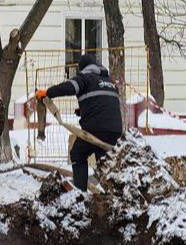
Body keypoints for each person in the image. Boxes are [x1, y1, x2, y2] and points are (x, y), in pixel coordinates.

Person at [35, 54, 123, 191]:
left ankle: (80, 194)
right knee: (103, 159)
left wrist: (48, 92)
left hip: (96, 129)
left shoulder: (85, 77)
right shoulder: (110, 82)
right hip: (115, 131)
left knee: (77, 153)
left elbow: (70, 87)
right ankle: (112, 192)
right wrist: (82, 111)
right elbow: (104, 104)